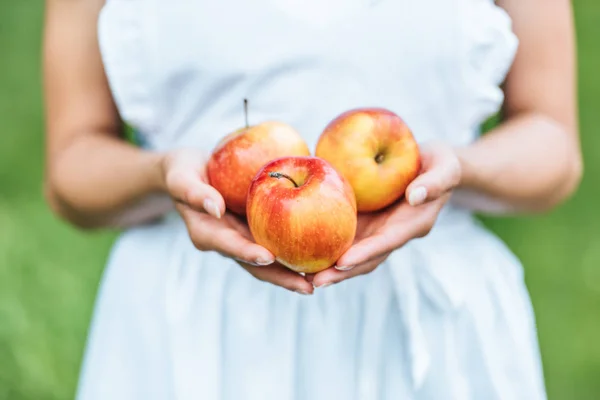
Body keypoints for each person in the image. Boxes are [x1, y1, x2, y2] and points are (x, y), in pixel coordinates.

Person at [43, 0, 581, 399]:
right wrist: (162, 174)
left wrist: (457, 169)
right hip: (189, 334)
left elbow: (554, 147)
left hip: (431, 331)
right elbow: (72, 170)